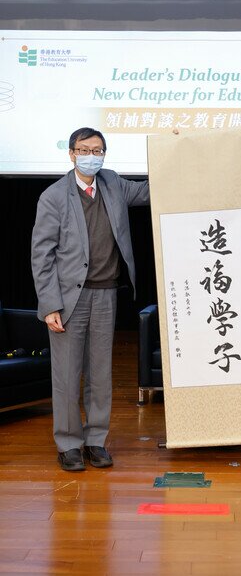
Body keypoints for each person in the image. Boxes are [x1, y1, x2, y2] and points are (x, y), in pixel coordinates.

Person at [31, 127, 149, 471]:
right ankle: (69, 443)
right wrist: (49, 304)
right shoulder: (53, 196)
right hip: (68, 299)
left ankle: (96, 440)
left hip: (106, 292)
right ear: (71, 154)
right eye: (84, 150)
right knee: (67, 375)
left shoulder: (113, 183)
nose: (91, 156)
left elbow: (153, 191)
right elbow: (42, 255)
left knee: (101, 373)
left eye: (97, 150)